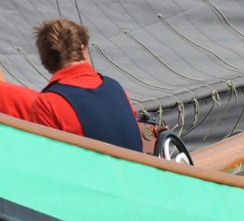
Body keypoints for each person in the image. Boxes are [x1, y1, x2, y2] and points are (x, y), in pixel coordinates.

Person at [0, 18, 142, 151]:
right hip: (138, 174)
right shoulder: (116, 87)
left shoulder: (48, 104)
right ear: (83, 49)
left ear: (45, 60)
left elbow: (47, 162)